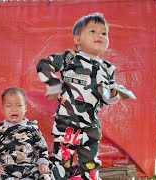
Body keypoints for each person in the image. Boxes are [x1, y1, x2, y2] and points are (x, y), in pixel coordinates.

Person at [36, 12, 120, 180]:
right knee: (61, 163)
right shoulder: (69, 58)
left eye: (104, 33)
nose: (100, 36)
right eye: (93, 31)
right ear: (77, 39)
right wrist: (53, 83)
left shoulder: (108, 68)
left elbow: (107, 99)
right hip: (67, 124)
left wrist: (114, 94)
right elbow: (44, 64)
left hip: (91, 128)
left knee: (91, 166)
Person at [0, 87, 51, 180]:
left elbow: (41, 146)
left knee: (45, 176)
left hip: (30, 167)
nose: (14, 109)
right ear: (3, 109)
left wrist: (43, 163)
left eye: (19, 105)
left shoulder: (32, 127)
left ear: (25, 108)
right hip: (6, 168)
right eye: (9, 106)